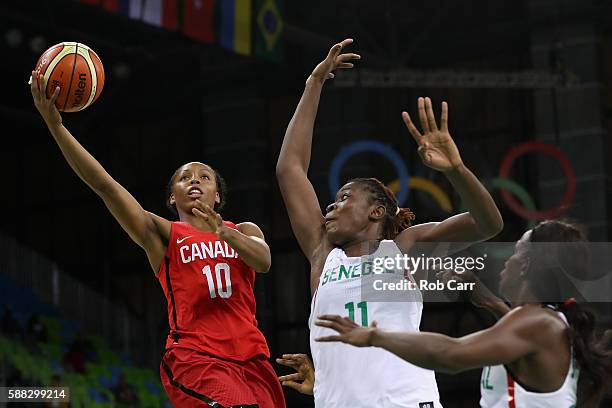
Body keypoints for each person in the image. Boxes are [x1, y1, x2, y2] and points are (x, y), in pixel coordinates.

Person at [30, 71, 285, 408]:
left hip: (254, 361)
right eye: (184, 178)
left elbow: (263, 261)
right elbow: (105, 186)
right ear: (171, 198)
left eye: (204, 177)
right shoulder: (163, 234)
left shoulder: (245, 230)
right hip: (197, 358)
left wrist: (224, 233)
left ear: (217, 196)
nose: (194, 180)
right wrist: (57, 128)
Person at [275, 38, 503, 407]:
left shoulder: (405, 248)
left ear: (376, 211)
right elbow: (290, 170)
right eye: (333, 201)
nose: (331, 208)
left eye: (345, 198)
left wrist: (457, 171)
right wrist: (314, 84)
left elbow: (487, 224)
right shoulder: (323, 255)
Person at [315, 220, 612, 408]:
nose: (507, 261)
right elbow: (512, 333)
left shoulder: (537, 324)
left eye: (515, 252)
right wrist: (486, 299)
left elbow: (451, 355)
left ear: (525, 266)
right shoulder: (541, 322)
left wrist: (376, 336)